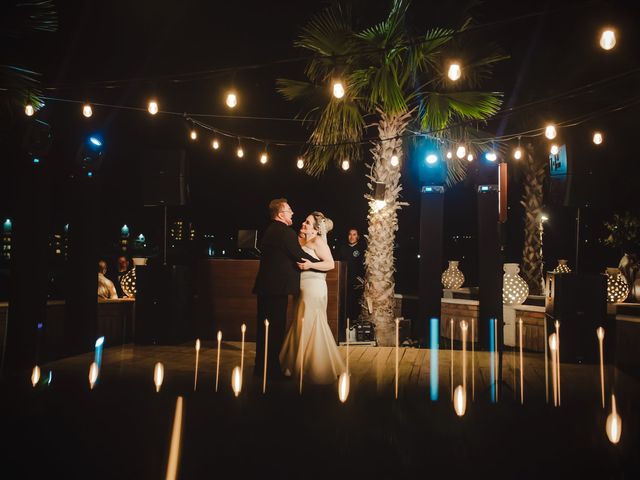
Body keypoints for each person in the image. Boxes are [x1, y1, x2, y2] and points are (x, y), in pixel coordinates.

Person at [253, 198, 319, 380]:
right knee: (274, 332)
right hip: (277, 290)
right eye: (289, 210)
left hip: (266, 288)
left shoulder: (270, 230)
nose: (292, 213)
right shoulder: (285, 232)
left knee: (264, 331)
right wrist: (321, 263)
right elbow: (299, 255)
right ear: (281, 214)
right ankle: (272, 372)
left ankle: (261, 369)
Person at [279, 212, 345, 384]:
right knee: (300, 322)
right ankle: (296, 363)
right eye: (304, 221)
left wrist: (310, 265)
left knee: (310, 322)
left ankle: (314, 366)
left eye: (308, 223)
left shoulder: (318, 242)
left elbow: (330, 264)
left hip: (314, 288)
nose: (303, 224)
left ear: (316, 230)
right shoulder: (301, 241)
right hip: (300, 288)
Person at [339, 228, 366, 323]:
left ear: (358, 237)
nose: (351, 237)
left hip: (357, 282)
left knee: (355, 304)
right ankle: (344, 324)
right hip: (344, 281)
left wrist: (361, 280)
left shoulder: (361, 250)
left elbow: (364, 267)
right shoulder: (342, 249)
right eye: (350, 234)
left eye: (354, 234)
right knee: (345, 304)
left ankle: (355, 323)